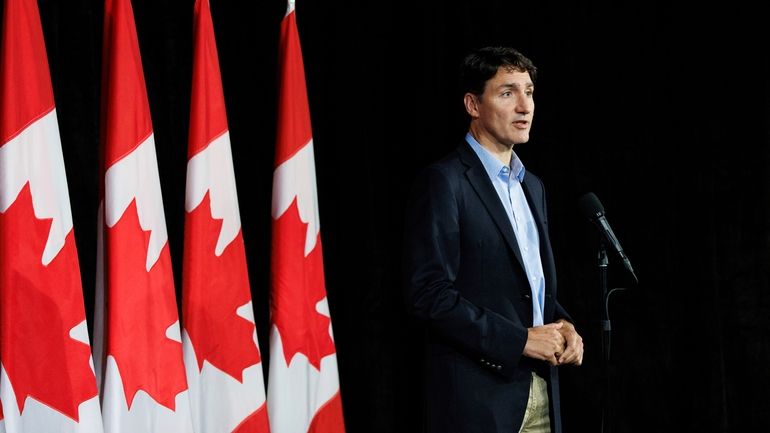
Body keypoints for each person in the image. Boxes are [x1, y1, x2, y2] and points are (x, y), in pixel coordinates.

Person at [403, 46, 584, 433]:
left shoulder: (531, 186)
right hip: (479, 402)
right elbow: (429, 294)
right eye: (507, 93)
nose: (524, 106)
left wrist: (563, 324)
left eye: (529, 91)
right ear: (473, 104)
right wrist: (519, 340)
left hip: (542, 392)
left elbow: (524, 286)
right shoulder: (445, 182)